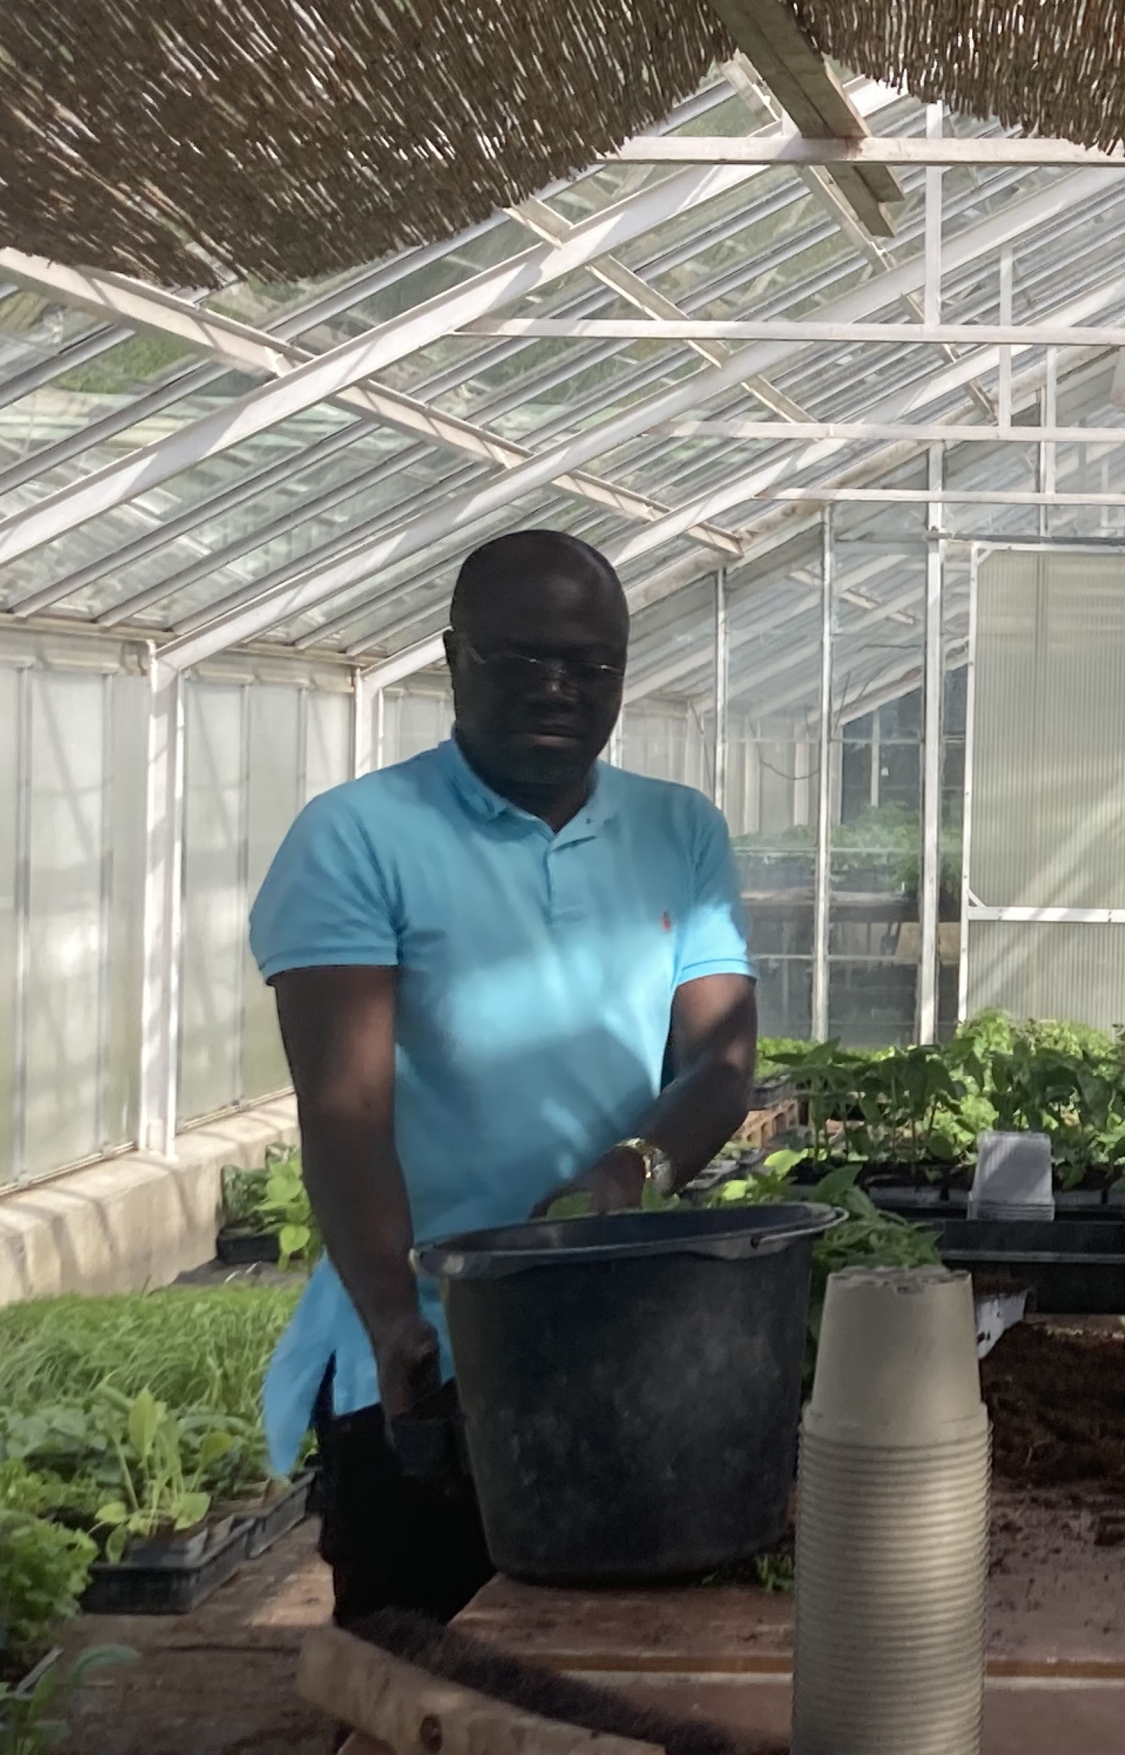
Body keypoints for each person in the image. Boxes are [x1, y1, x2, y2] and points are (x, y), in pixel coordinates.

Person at [248, 529, 758, 1625]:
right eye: (521, 657)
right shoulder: (355, 837)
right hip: (424, 1360)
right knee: (424, 1660)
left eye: (591, 664)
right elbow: (346, 1111)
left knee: (613, 1650)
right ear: (453, 657)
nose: (557, 688)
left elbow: (721, 1063)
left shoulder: (679, 830)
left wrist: (631, 1169)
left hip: (619, 1340)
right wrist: (396, 1317)